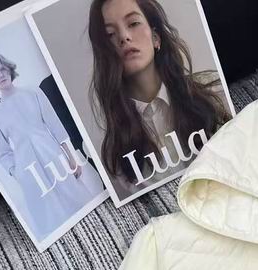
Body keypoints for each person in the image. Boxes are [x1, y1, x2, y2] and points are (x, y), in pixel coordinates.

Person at [88, 0, 231, 198]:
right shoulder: (117, 149)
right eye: (110, 34)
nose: (124, 37)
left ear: (155, 38)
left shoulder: (213, 90)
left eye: (133, 23)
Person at [0, 53, 105, 240]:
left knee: (78, 201)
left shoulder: (32, 92)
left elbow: (55, 125)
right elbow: (4, 152)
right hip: (29, 170)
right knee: (54, 219)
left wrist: (71, 157)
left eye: (3, 69)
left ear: (9, 68)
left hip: (53, 156)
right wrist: (18, 174)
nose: (1, 74)